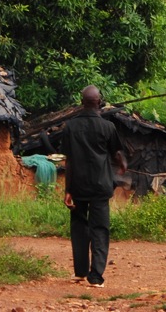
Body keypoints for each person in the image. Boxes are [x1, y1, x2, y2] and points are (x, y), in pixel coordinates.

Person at [56, 85, 127, 287]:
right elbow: (117, 153)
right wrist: (123, 163)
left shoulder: (70, 126)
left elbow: (68, 160)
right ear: (99, 102)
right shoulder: (108, 127)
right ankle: (95, 276)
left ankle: (80, 272)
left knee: (79, 227)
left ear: (82, 102)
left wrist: (67, 190)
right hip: (100, 186)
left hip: (78, 186)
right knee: (100, 229)